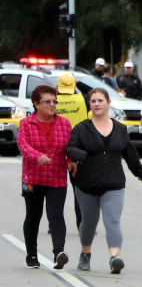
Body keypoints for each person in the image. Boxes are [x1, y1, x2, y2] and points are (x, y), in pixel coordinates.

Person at [66, 88, 142, 274]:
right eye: (93, 101)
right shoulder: (81, 128)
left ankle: (114, 257)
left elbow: (129, 154)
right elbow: (70, 148)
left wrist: (140, 173)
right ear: (90, 104)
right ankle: (85, 254)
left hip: (113, 182)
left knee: (112, 220)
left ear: (108, 103)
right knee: (88, 221)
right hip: (86, 183)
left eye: (100, 100)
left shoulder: (120, 129)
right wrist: (82, 155)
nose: (96, 104)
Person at [17, 85, 74, 269]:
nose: (52, 105)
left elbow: (70, 146)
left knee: (56, 215)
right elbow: (23, 145)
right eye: (47, 101)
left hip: (56, 178)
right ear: (36, 104)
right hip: (33, 178)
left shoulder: (64, 124)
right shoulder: (27, 123)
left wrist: (72, 160)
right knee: (33, 216)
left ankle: (59, 252)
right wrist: (37, 156)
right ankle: (31, 255)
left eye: (54, 101)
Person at [56, 74, 89, 229]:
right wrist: (79, 83)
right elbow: (96, 92)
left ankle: (54, 223)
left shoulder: (52, 102)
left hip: (56, 149)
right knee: (79, 189)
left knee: (55, 190)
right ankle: (81, 223)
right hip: (77, 148)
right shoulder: (83, 99)